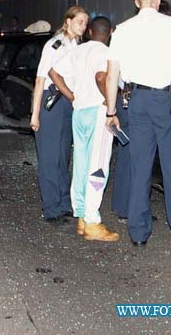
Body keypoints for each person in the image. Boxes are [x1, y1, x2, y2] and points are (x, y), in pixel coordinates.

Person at [105, 0, 171, 248]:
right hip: (166, 100)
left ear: (137, 2)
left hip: (136, 100)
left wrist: (111, 111)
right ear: (158, 0)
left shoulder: (123, 30)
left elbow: (112, 74)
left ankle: (138, 233)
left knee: (140, 167)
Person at [50, 16, 119, 241]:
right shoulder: (106, 52)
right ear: (110, 33)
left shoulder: (77, 50)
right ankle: (92, 221)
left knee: (80, 163)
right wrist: (110, 106)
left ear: (89, 31)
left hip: (78, 112)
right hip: (98, 112)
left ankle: (80, 215)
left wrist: (70, 95)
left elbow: (54, 72)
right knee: (98, 166)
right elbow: (101, 77)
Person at [112, 0, 171, 220]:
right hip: (135, 100)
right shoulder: (153, 42)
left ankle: (125, 206)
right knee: (137, 159)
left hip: (128, 99)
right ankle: (132, 210)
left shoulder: (130, 34)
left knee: (131, 157)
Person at [30, 6, 89, 224]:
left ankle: (64, 203)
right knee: (49, 158)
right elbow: (40, 80)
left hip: (69, 104)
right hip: (51, 103)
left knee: (63, 157)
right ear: (68, 21)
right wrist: (35, 114)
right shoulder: (55, 45)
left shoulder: (77, 45)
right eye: (80, 21)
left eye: (85, 22)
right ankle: (51, 208)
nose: (83, 26)